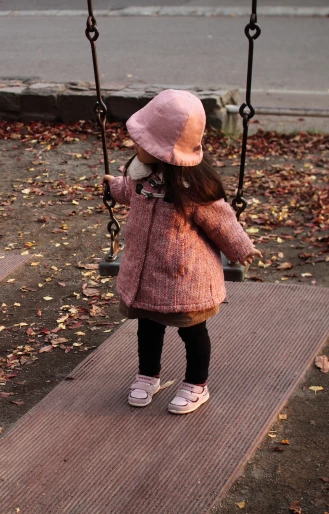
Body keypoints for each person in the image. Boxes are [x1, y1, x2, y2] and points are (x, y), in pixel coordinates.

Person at [102, 90, 261, 414]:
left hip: (184, 277)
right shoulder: (142, 175)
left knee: (193, 331)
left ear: (162, 150)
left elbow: (222, 222)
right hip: (146, 275)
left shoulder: (193, 191)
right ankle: (148, 375)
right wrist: (112, 187)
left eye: (141, 142)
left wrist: (241, 248)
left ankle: (197, 383)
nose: (135, 146)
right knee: (147, 326)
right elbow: (128, 191)